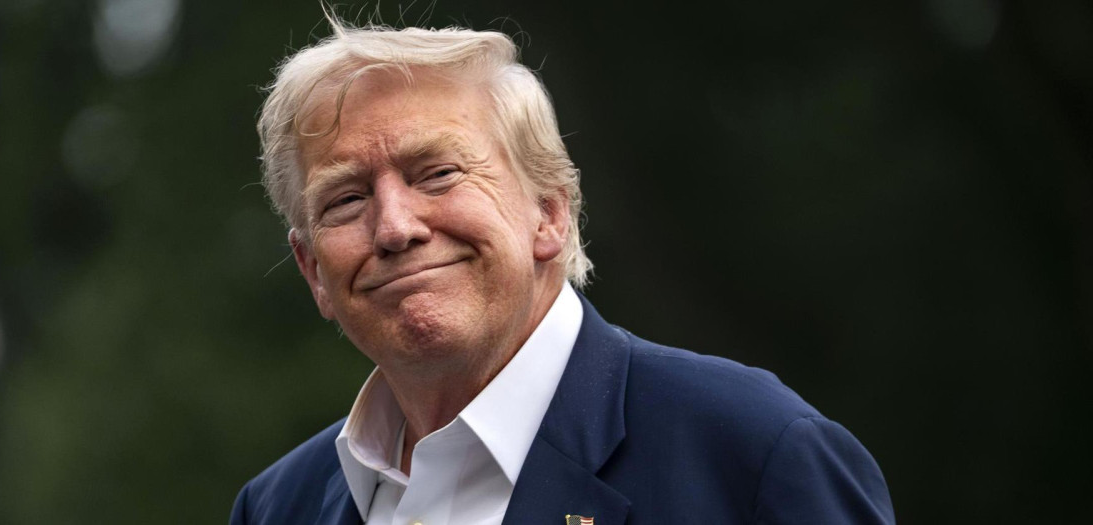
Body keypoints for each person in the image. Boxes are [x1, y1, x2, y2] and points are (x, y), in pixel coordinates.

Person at [231, 15, 895, 525]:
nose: (396, 225)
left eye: (437, 173)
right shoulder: (278, 506)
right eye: (347, 199)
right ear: (313, 268)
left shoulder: (751, 457)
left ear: (549, 213)